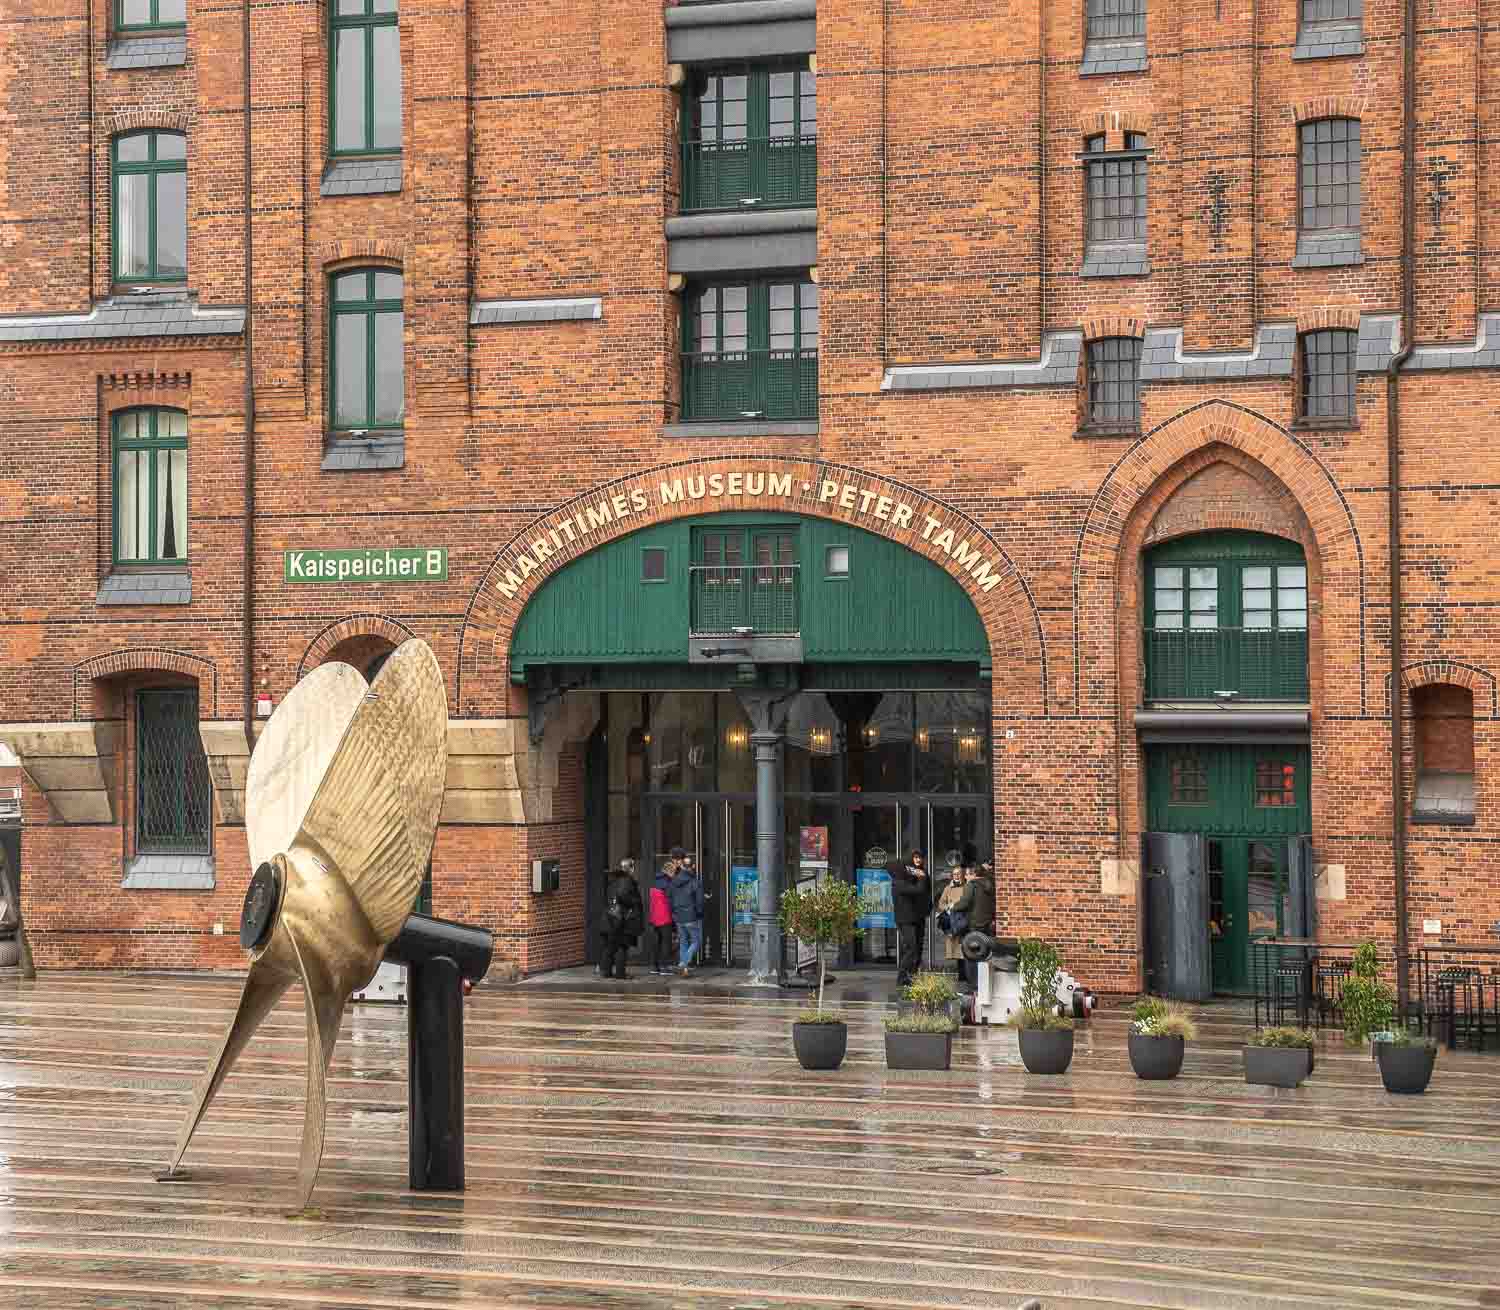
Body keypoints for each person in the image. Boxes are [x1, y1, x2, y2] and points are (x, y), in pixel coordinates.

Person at [888, 850, 931, 986]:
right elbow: (918, 890)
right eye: (915, 857)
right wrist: (919, 875)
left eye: (920, 857)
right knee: (911, 949)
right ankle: (902, 978)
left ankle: (912, 977)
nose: (918, 860)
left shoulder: (918, 874)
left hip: (918, 917)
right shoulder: (899, 882)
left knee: (917, 949)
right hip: (906, 919)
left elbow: (926, 891)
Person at [951, 856, 995, 990]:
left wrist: (953, 906)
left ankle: (973, 986)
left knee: (970, 955)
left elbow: (964, 903)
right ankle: (984, 985)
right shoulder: (989, 885)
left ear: (973, 874)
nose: (966, 877)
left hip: (973, 926)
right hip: (986, 925)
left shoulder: (972, 885)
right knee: (984, 955)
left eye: (967, 874)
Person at [597, 857, 644, 980]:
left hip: (611, 918)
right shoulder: (626, 880)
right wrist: (634, 902)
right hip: (620, 920)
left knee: (611, 946)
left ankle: (606, 971)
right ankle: (619, 973)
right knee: (622, 946)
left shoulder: (614, 880)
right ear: (631, 868)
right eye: (633, 867)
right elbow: (623, 895)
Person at [668, 846, 705, 975]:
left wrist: (674, 912)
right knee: (696, 941)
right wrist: (699, 913)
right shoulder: (695, 882)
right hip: (691, 916)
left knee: (683, 941)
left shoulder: (674, 881)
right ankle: (683, 963)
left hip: (678, 916)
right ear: (692, 867)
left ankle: (684, 969)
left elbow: (669, 896)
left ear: (682, 866)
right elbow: (699, 901)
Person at [936, 862, 968, 985]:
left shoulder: (967, 887)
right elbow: (941, 903)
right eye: (954, 874)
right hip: (952, 922)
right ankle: (961, 975)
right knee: (957, 951)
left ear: (962, 875)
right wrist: (948, 907)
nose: (957, 876)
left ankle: (966, 976)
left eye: (959, 874)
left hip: (963, 921)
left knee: (964, 949)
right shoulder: (948, 888)